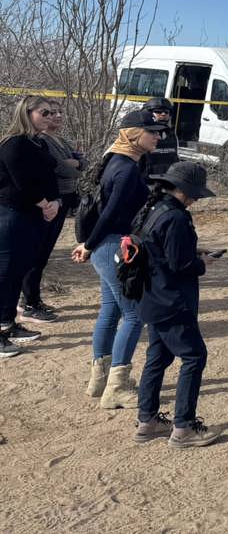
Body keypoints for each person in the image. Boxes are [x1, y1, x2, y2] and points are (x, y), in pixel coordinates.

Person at [72, 108, 169, 406]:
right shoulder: (125, 169)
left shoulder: (115, 161)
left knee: (110, 311)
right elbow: (111, 212)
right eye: (152, 132)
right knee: (134, 314)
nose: (158, 136)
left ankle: (98, 380)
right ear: (132, 134)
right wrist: (88, 245)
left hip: (106, 247)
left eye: (159, 132)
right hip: (115, 246)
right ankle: (117, 387)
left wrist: (91, 245)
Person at [132, 161, 221, 448]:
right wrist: (201, 262)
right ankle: (183, 427)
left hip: (152, 298)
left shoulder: (154, 209)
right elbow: (180, 265)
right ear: (184, 191)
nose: (196, 200)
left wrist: (192, 252)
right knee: (194, 357)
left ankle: (147, 421)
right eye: (195, 194)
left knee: (158, 357)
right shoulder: (177, 218)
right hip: (172, 300)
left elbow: (160, 251)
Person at [0, 96, 61, 358]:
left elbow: (49, 176)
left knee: (19, 270)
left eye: (51, 113)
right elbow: (22, 183)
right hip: (12, 214)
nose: (49, 117)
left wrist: (56, 202)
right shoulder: (13, 144)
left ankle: (8, 323)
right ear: (26, 113)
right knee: (5, 272)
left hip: (33, 214)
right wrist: (46, 204)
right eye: (43, 112)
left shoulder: (38, 142)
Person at [19, 101, 81, 324]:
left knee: (43, 254)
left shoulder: (60, 140)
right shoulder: (42, 140)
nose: (55, 116)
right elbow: (63, 169)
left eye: (58, 112)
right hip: (48, 202)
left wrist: (75, 163)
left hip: (62, 200)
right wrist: (73, 165)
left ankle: (33, 298)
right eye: (49, 113)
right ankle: (28, 303)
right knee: (37, 254)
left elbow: (79, 162)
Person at [141, 97, 179, 181]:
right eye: (158, 111)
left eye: (166, 112)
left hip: (167, 183)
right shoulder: (141, 134)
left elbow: (175, 159)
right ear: (148, 113)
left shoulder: (171, 135)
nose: (163, 114)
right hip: (146, 183)